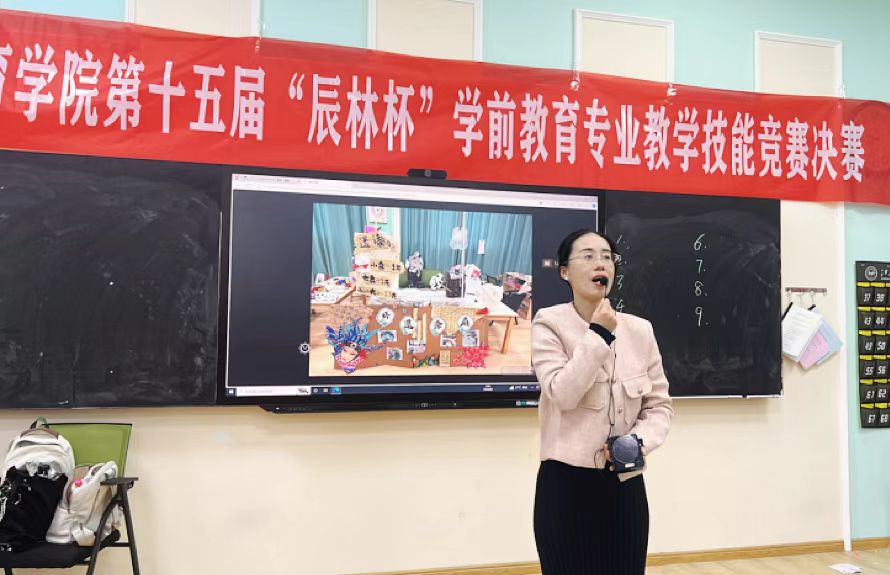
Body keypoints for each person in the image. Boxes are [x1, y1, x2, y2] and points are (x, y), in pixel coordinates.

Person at [531, 229, 673, 575]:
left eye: (607, 257)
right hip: (566, 487)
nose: (601, 264)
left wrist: (636, 442)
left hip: (625, 484)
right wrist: (599, 334)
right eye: (589, 256)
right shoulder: (549, 323)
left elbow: (659, 407)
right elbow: (563, 394)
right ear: (565, 271)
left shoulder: (640, 330)